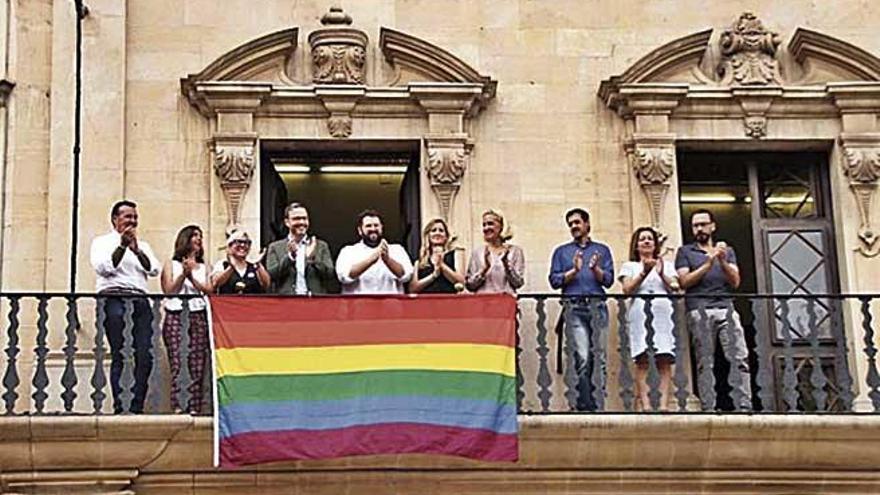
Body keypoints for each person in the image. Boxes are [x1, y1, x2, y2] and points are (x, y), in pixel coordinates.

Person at [675, 208, 751, 411]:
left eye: (703, 224)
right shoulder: (685, 252)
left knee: (739, 357)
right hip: (699, 311)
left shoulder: (727, 251)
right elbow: (684, 281)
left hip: (726, 308)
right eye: (695, 225)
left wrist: (722, 261)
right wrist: (707, 264)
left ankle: (744, 404)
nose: (699, 228)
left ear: (712, 226)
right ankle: (709, 406)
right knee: (704, 361)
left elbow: (735, 281)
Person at [90, 200, 160, 414]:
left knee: (144, 354)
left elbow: (153, 270)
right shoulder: (101, 242)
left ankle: (136, 405)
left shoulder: (143, 245)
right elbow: (104, 268)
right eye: (128, 216)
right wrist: (121, 246)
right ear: (115, 219)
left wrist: (137, 251)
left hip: (139, 300)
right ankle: (121, 406)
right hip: (113, 298)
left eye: (135, 217)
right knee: (120, 352)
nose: (132, 221)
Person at [548, 207, 613, 411]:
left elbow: (609, 280)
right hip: (574, 307)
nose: (574, 226)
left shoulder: (602, 250)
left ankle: (598, 404)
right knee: (582, 356)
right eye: (571, 224)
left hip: (597, 307)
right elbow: (554, 280)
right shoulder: (562, 251)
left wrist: (595, 269)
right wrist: (574, 271)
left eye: (577, 222)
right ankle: (584, 405)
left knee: (599, 357)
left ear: (587, 224)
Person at [619, 226, 679, 411]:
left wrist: (660, 272)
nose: (646, 241)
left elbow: (675, 287)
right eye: (642, 239)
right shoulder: (630, 266)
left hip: (662, 313)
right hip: (640, 313)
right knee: (642, 357)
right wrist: (644, 272)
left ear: (655, 244)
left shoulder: (666, 265)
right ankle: (645, 404)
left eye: (650, 239)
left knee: (664, 358)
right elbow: (627, 289)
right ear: (636, 246)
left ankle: (663, 405)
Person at [160, 225, 212, 414]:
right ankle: (179, 407)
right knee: (178, 362)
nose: (198, 239)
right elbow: (169, 290)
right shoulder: (170, 264)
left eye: (200, 236)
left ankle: (195, 407)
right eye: (194, 236)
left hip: (198, 315)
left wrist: (191, 276)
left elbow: (208, 290)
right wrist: (183, 273)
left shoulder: (205, 266)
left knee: (197, 363)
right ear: (185, 239)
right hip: (175, 314)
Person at [335, 209, 414, 294]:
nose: (373, 229)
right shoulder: (348, 251)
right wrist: (372, 259)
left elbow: (406, 276)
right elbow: (344, 277)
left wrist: (387, 260)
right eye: (368, 226)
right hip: (358, 306)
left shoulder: (397, 249)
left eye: (376, 225)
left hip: (390, 305)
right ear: (360, 230)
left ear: (381, 227)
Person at [265, 202, 335, 295]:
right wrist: (290, 258)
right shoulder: (275, 247)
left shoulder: (321, 246)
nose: (302, 222)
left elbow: (330, 275)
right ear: (287, 222)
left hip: (314, 302)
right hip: (287, 302)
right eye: (296, 219)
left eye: (304, 218)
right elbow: (270, 276)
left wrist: (312, 259)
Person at [465, 210, 524, 294]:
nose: (486, 228)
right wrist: (484, 270)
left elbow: (518, 283)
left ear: (501, 226)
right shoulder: (478, 252)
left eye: (490, 224)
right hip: (483, 302)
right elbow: (470, 285)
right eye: (484, 225)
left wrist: (507, 265)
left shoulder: (515, 251)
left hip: (505, 301)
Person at [408, 218, 465, 294]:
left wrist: (442, 265)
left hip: (449, 301)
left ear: (446, 236)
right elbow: (412, 289)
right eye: (433, 230)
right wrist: (433, 276)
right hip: (426, 302)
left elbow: (461, 281)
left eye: (441, 230)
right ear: (428, 235)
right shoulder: (420, 261)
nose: (437, 233)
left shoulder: (455, 253)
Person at [211, 229, 270, 294]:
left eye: (246, 243)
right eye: (238, 242)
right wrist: (231, 268)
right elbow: (215, 283)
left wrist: (258, 263)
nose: (242, 245)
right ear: (230, 246)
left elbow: (266, 284)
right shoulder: (222, 264)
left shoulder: (254, 266)